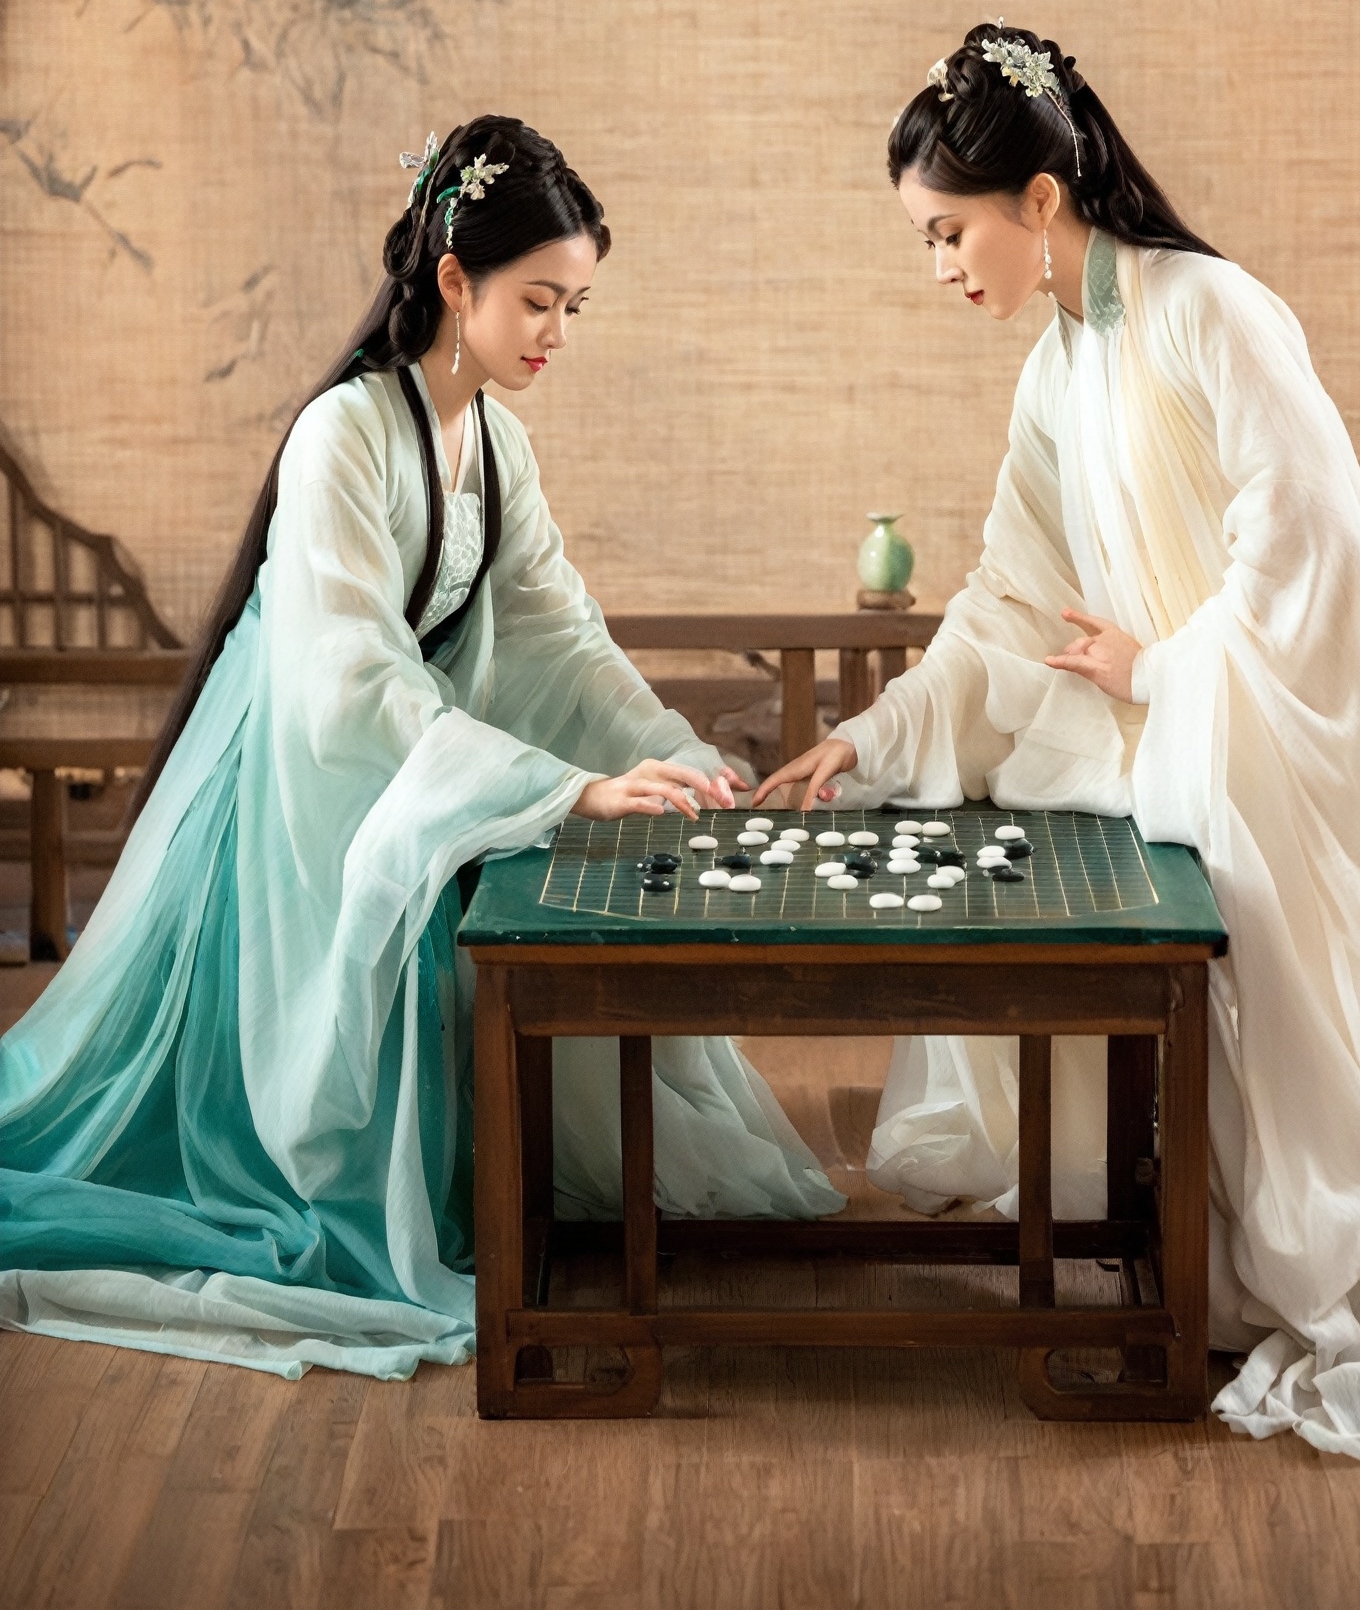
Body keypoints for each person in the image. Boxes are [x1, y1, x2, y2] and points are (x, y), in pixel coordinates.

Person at [759, 24, 1360, 1457]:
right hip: (1181, 729)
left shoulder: (1210, 310)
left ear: (1039, 201)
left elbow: (1301, 545)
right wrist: (872, 735)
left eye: (946, 234)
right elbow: (1008, 591)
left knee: (1324, 1015)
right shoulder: (1060, 362)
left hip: (1277, 736)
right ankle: (1178, 1229)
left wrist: (1165, 668)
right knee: (1040, 829)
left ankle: (1288, 1259)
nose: (939, 268)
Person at [0, 115, 837, 1380]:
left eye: (577, 305)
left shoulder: (494, 438)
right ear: (455, 280)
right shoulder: (347, 433)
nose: (558, 333)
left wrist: (676, 759)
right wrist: (566, 787)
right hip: (296, 775)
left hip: (391, 757)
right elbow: (347, 678)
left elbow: (560, 639)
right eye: (539, 300)